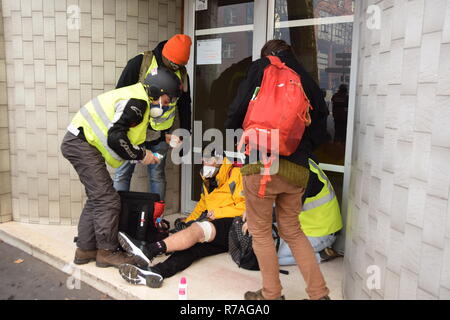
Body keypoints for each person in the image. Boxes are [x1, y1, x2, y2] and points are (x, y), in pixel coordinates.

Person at [225, 39, 330, 300]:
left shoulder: (260, 68)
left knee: (260, 231)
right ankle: (319, 294)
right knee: (293, 230)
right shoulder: (303, 76)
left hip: (261, 160)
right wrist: (302, 147)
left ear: (267, 54)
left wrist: (235, 136)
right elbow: (322, 118)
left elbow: (237, 108)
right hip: (297, 165)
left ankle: (271, 294)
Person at [60, 67, 182, 268]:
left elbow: (135, 131)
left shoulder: (137, 97)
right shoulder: (138, 102)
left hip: (80, 142)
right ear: (158, 92)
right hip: (81, 144)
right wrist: (142, 155)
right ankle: (107, 252)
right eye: (166, 101)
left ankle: (86, 249)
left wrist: (163, 137)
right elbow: (116, 137)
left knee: (98, 198)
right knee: (108, 200)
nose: (165, 106)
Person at [116, 155, 245, 288]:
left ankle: (149, 250)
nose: (205, 163)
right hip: (216, 226)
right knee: (192, 248)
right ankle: (156, 272)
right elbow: (202, 205)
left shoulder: (236, 174)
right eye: (203, 160)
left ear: (218, 161)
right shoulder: (209, 179)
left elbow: (245, 207)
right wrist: (187, 223)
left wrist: (218, 213)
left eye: (208, 161)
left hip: (232, 225)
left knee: (198, 230)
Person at [113, 34, 193, 201]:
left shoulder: (182, 74)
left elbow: (185, 104)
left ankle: (157, 220)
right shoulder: (140, 63)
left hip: (161, 133)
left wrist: (186, 131)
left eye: (178, 66)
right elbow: (119, 95)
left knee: (157, 175)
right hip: (133, 131)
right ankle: (117, 217)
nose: (174, 68)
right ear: (165, 54)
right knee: (123, 173)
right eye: (172, 64)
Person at [276, 157, 343, 266]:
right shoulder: (297, 162)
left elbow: (285, 209)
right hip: (303, 226)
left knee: (270, 255)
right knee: (263, 245)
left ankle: (320, 255)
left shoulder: (302, 172)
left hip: (321, 232)